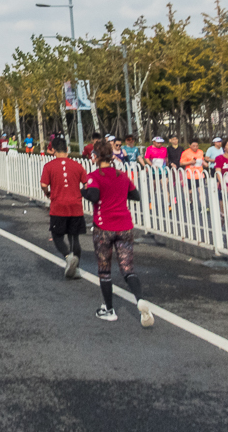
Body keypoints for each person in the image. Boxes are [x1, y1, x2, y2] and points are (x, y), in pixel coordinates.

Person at [83, 140, 152, 326]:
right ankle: (140, 300)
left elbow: (94, 195)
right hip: (125, 226)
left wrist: (83, 191)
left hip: (104, 227)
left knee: (104, 269)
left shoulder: (94, 176)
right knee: (127, 268)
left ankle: (109, 309)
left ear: (95, 157)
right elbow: (135, 196)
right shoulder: (122, 176)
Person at [39, 138, 87, 279]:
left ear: (53, 150)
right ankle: (76, 268)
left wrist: (48, 193)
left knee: (57, 235)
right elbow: (86, 183)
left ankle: (67, 257)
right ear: (67, 148)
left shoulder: (49, 166)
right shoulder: (77, 165)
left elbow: (43, 184)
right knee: (74, 237)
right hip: (75, 205)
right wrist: (80, 194)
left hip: (58, 205)